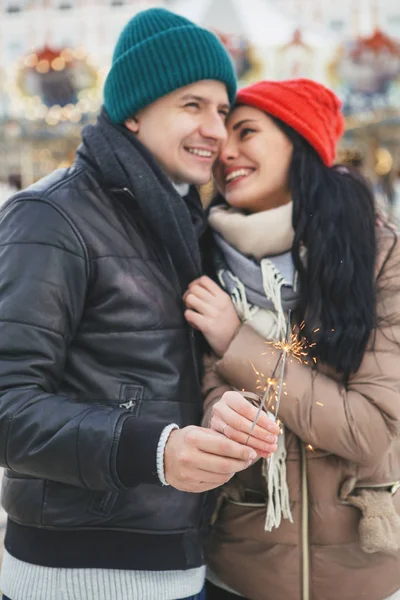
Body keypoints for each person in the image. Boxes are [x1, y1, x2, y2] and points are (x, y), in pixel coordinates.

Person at [0, 9, 280, 600]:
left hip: (178, 563)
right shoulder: (53, 216)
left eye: (223, 110)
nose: (215, 129)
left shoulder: (185, 225)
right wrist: (152, 449)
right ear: (134, 109)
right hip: (76, 575)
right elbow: (8, 404)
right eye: (191, 105)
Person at [184, 78, 400, 600]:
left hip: (361, 577)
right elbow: (210, 401)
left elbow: (369, 429)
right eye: (221, 134)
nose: (224, 150)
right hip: (238, 571)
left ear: (298, 143)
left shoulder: (377, 254)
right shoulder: (203, 257)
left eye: (246, 132)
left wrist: (239, 343)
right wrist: (221, 415)